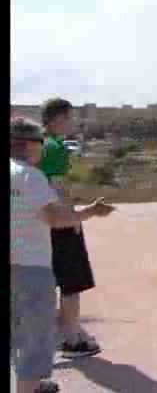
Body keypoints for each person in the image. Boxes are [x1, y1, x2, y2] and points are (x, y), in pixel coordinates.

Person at [10, 118, 114, 393]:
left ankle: (30, 385)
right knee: (34, 341)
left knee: (15, 335)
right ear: (32, 145)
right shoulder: (29, 176)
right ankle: (26, 391)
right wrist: (89, 212)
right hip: (30, 268)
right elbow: (54, 217)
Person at [38, 98, 101, 358]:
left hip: (38, 222)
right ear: (58, 119)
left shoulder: (36, 143)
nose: (73, 123)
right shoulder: (54, 146)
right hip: (58, 221)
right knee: (71, 281)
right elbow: (57, 187)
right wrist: (74, 218)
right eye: (70, 118)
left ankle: (66, 332)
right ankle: (73, 339)